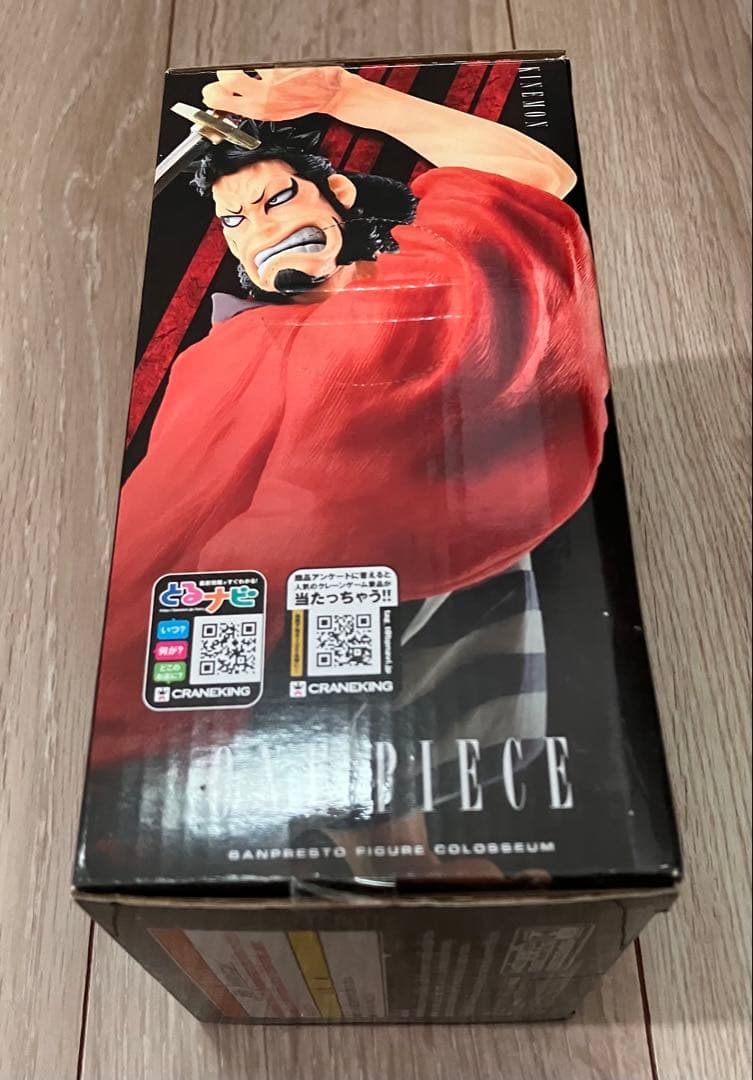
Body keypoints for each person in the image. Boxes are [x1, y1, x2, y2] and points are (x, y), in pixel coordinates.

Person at [90, 67, 608, 878]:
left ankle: (401, 855)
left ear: (335, 194)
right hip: (261, 633)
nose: (259, 230)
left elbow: (531, 173)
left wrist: (340, 96)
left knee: (392, 605)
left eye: (278, 200)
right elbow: (169, 521)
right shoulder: (218, 358)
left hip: (429, 584)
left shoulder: (416, 290)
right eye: (234, 220)